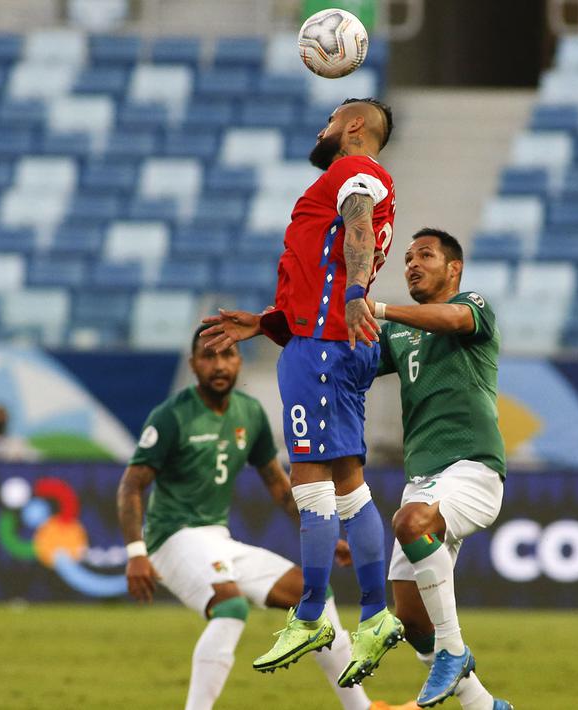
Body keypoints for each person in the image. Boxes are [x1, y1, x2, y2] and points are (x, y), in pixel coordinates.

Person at [202, 97, 401, 686]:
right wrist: (267, 323)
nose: (324, 129)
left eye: (332, 119)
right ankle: (373, 613)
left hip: (321, 345)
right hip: (329, 342)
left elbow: (358, 226)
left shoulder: (351, 172)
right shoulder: (354, 180)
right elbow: (323, 268)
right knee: (345, 480)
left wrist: (359, 289)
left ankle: (313, 611)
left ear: (355, 127)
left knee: (312, 478)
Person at [118, 325, 399, 710]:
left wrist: (324, 536)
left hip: (216, 539)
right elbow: (131, 486)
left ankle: (360, 707)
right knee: (231, 607)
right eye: (208, 356)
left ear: (239, 361)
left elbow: (280, 486)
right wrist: (136, 551)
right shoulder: (171, 416)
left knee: (311, 592)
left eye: (228, 354)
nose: (219, 364)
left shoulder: (248, 412)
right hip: (172, 538)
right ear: (193, 364)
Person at [368, 228, 514, 710]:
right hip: (423, 478)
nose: (411, 263)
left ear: (453, 268)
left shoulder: (473, 306)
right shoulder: (398, 333)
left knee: (410, 523)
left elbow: (451, 319)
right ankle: (484, 706)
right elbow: (351, 356)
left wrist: (381, 308)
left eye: (424, 255)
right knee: (412, 619)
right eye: (407, 257)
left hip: (474, 466)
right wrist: (275, 325)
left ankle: (455, 652)